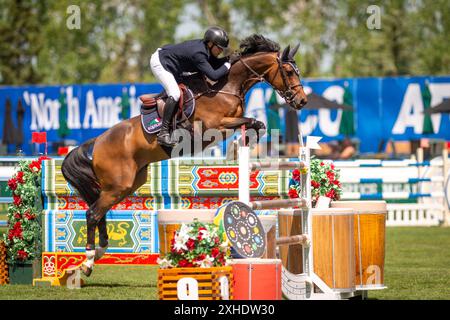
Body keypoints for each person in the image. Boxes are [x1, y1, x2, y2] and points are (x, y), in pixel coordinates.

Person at [150, 26, 232, 147]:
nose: (221, 51)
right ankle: (163, 133)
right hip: (160, 62)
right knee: (175, 93)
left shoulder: (205, 49)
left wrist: (230, 59)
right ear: (210, 43)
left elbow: (215, 63)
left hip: (173, 62)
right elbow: (214, 75)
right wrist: (228, 64)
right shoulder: (199, 53)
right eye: (219, 48)